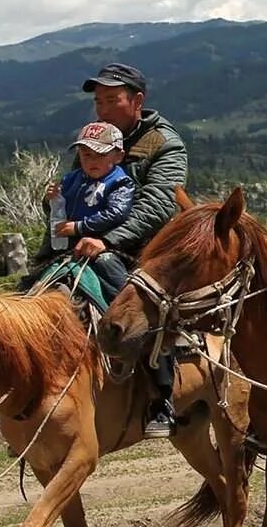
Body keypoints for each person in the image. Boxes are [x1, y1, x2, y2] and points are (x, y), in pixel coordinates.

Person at [76, 62, 189, 438]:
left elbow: (158, 205)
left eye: (112, 100)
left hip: (143, 248)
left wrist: (109, 240)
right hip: (87, 242)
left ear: (137, 100)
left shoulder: (164, 143)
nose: (103, 109)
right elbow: (78, 185)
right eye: (98, 101)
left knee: (145, 310)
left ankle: (162, 396)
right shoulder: (97, 138)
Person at [36, 121, 136, 297]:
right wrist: (51, 200)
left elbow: (116, 213)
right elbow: (59, 207)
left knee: (108, 266)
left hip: (102, 245)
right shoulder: (72, 178)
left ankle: (126, 306)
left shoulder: (120, 182)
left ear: (118, 156)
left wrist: (79, 227)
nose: (92, 161)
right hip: (67, 245)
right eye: (86, 155)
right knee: (35, 276)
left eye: (100, 155)